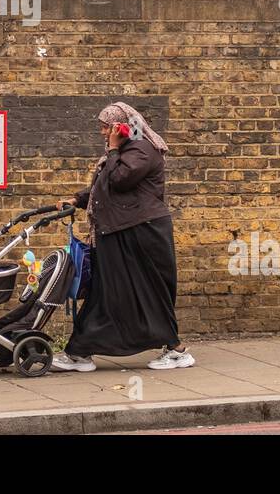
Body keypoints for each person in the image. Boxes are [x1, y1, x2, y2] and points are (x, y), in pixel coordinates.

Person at [51, 102, 195, 373]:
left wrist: (115, 147)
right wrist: (79, 199)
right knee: (110, 292)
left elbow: (120, 180)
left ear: (123, 126)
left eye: (107, 127)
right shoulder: (127, 150)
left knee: (146, 291)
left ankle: (176, 351)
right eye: (102, 127)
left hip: (142, 232)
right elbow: (105, 186)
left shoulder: (141, 150)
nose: (103, 132)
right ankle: (80, 352)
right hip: (122, 230)